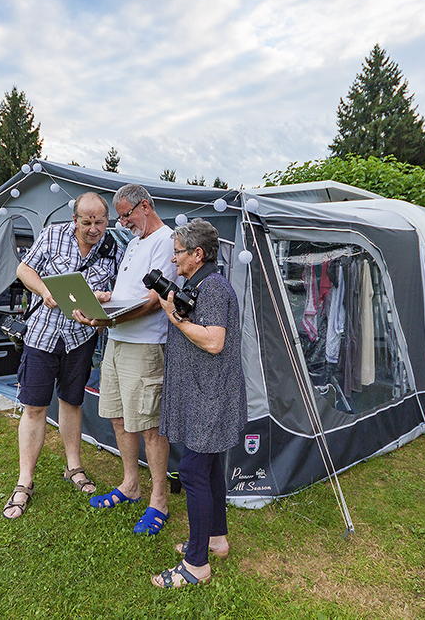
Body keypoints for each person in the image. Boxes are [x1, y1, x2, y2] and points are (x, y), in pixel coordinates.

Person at [2, 192, 122, 519]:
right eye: (87, 222)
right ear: (75, 220)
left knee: (72, 402)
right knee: (35, 406)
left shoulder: (113, 249)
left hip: (80, 338)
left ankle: (74, 467)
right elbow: (23, 270)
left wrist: (104, 298)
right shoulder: (53, 234)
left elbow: (120, 294)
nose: (94, 228)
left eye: (100, 221)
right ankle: (24, 481)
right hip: (42, 333)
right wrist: (45, 291)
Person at [71, 184, 176, 536]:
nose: (122, 222)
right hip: (116, 340)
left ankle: (158, 500)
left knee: (149, 425)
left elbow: (152, 300)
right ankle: (131, 484)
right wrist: (105, 299)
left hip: (145, 345)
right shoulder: (134, 242)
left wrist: (109, 318)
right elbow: (129, 293)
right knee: (118, 418)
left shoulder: (166, 240)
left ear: (144, 206)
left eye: (126, 215)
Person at [151, 219, 246, 589]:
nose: (174, 260)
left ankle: (196, 565)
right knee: (208, 471)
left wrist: (173, 315)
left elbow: (213, 341)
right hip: (206, 393)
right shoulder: (201, 284)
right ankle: (215, 539)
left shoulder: (213, 288)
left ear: (197, 254)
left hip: (211, 396)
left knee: (191, 471)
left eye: (178, 253)